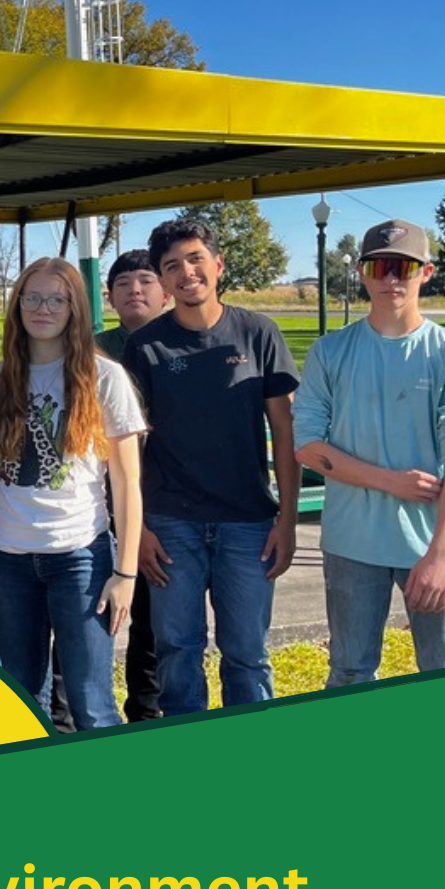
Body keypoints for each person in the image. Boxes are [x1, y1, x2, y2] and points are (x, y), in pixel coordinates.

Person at [293, 219, 445, 686]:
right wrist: (391, 481)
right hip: (352, 544)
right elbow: (308, 448)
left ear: (427, 272)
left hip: (433, 543)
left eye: (404, 267)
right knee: (351, 671)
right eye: (380, 267)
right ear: (362, 272)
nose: (391, 279)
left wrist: (441, 553)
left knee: (443, 669)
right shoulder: (329, 352)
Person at [122, 218, 300, 716]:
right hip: (170, 525)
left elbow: (285, 430)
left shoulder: (258, 332)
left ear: (218, 265)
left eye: (196, 259)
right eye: (172, 266)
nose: (187, 272)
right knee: (177, 650)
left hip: (248, 523)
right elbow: (129, 445)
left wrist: (286, 519)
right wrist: (137, 530)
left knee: (247, 654)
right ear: (162, 279)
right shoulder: (146, 346)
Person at [0, 258, 146, 728]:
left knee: (91, 701)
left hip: (81, 557)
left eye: (56, 298)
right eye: (32, 297)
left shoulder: (104, 378)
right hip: (7, 560)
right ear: (17, 305)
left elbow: (128, 481)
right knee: (21, 697)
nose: (42, 308)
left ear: (75, 308)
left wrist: (125, 571)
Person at [99, 249, 170, 721]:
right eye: (123, 283)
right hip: (98, 507)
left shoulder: (181, 341)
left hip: (168, 503)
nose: (135, 290)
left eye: (146, 279)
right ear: (109, 296)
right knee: (94, 622)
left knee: (155, 623)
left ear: (164, 290)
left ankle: (148, 711)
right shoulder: (92, 351)